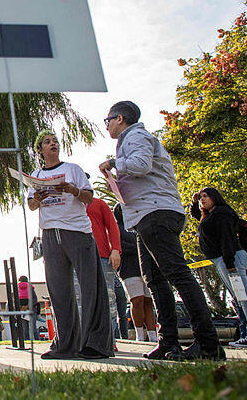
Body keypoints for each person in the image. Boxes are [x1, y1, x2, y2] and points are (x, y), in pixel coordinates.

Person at [99, 101, 223, 361]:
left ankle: (208, 343)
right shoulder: (130, 141)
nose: (107, 125)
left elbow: (141, 164)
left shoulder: (136, 136)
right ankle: (169, 342)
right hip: (144, 215)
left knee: (177, 274)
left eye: (107, 120)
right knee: (154, 280)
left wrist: (113, 162)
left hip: (156, 213)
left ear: (119, 118)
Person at [28, 130, 112, 360]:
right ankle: (65, 345)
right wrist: (39, 197)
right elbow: (32, 205)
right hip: (50, 234)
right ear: (40, 150)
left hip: (77, 232)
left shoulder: (73, 169)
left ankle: (96, 344)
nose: (52, 144)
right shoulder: (35, 175)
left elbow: (89, 198)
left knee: (90, 287)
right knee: (59, 290)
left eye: (55, 141)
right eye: (47, 142)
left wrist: (73, 190)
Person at [191, 187, 247, 348]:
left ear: (215, 197)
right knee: (240, 298)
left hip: (230, 259)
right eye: (201, 198)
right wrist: (194, 202)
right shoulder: (211, 215)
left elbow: (227, 239)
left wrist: (230, 263)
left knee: (244, 297)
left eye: (206, 196)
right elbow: (199, 218)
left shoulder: (222, 214)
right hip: (224, 260)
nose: (202, 200)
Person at [113, 204, 157, 342]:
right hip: (128, 269)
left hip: (145, 267)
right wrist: (138, 248)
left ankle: (153, 335)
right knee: (136, 300)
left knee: (149, 301)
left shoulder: (137, 226)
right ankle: (139, 335)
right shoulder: (117, 229)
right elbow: (122, 247)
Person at [84, 193, 122, 346]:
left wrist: (116, 249)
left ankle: (109, 340)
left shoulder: (99, 204)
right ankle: (84, 340)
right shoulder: (69, 207)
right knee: (80, 299)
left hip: (103, 256)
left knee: (108, 298)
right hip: (79, 258)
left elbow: (112, 226)